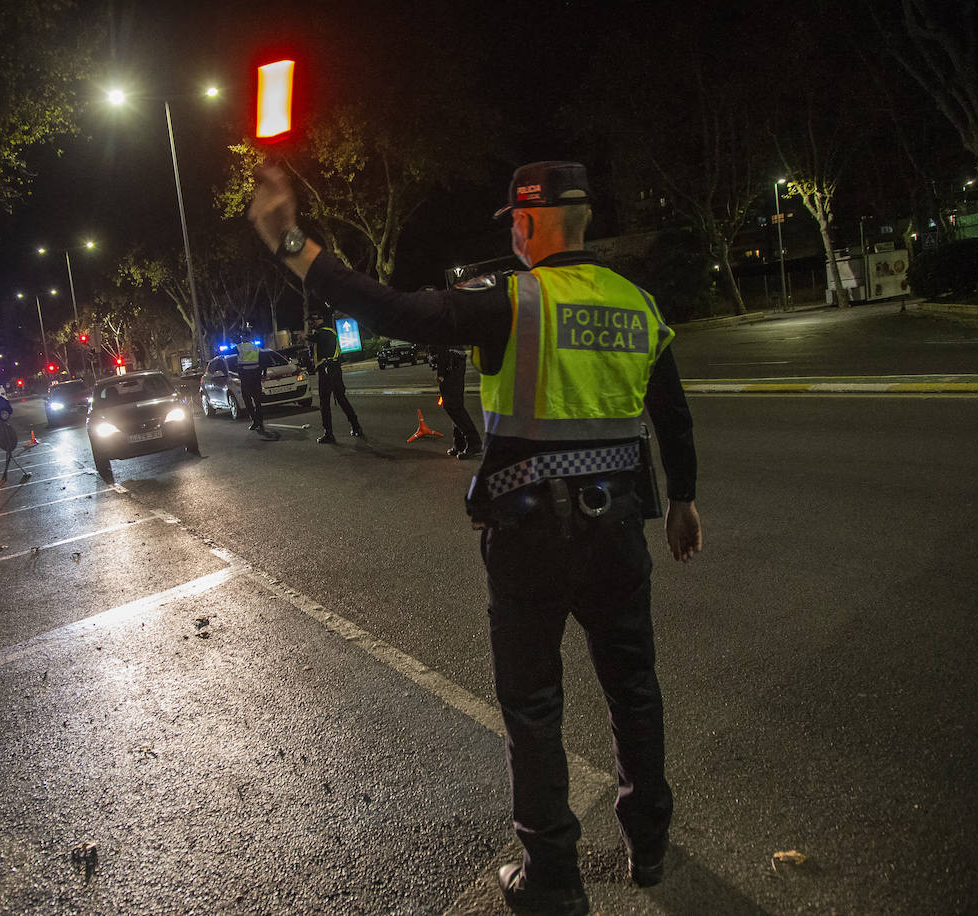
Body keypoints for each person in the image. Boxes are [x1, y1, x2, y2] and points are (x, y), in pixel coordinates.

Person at [250, 160, 703, 915]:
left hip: (532, 536)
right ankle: (648, 844)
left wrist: (295, 245)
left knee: (533, 709)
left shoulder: (512, 299)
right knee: (634, 688)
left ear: (527, 224)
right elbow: (674, 416)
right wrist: (684, 501)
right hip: (620, 526)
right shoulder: (638, 304)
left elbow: (393, 310)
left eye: (515, 225)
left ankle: (552, 880)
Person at [306, 309, 364, 444]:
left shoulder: (327, 331)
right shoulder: (321, 333)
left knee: (326, 402)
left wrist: (306, 337)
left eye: (311, 322)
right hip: (329, 370)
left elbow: (319, 337)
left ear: (318, 320)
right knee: (337, 399)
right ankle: (354, 426)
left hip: (329, 370)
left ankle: (330, 433)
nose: (311, 325)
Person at [428, 345, 482, 459]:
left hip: (450, 362)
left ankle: (474, 443)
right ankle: (459, 444)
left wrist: (441, 372)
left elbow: (442, 342)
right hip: (454, 360)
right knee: (455, 405)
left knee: (453, 406)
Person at [236, 334, 265, 430]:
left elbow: (228, 352)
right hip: (256, 378)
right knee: (258, 401)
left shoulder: (239, 347)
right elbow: (264, 361)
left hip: (245, 378)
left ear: (243, 338)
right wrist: (263, 374)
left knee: (247, 400)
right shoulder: (256, 347)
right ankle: (260, 421)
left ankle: (254, 420)